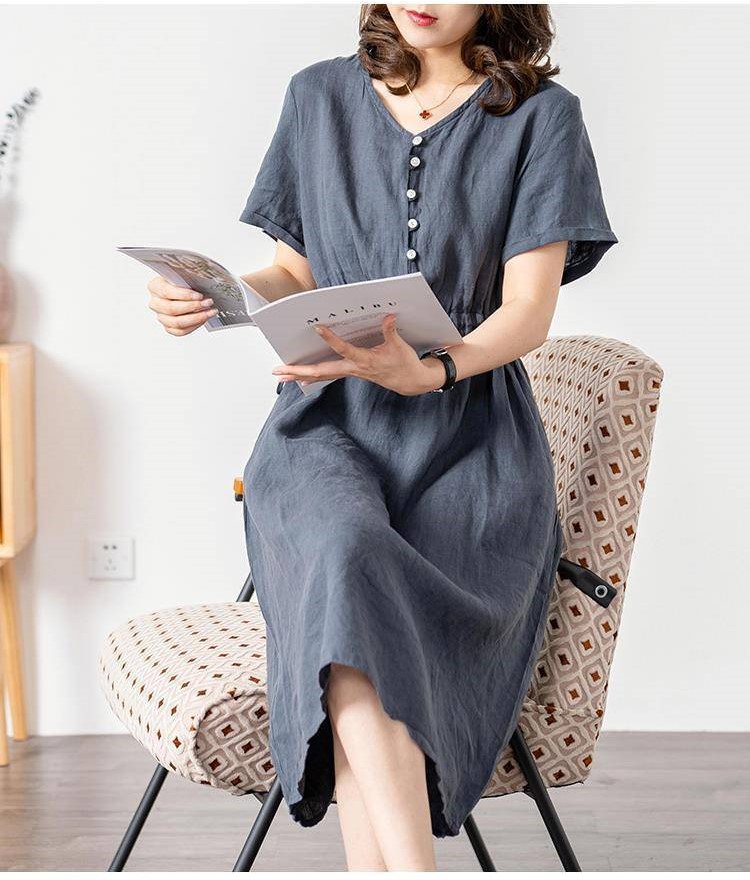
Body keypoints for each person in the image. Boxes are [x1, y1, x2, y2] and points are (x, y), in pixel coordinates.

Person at [145, 4, 618, 872]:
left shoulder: (544, 118)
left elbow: (528, 311)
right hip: (323, 430)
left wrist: (431, 371)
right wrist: (215, 296)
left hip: (472, 445)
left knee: (351, 608)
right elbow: (293, 271)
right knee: (345, 548)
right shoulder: (317, 97)